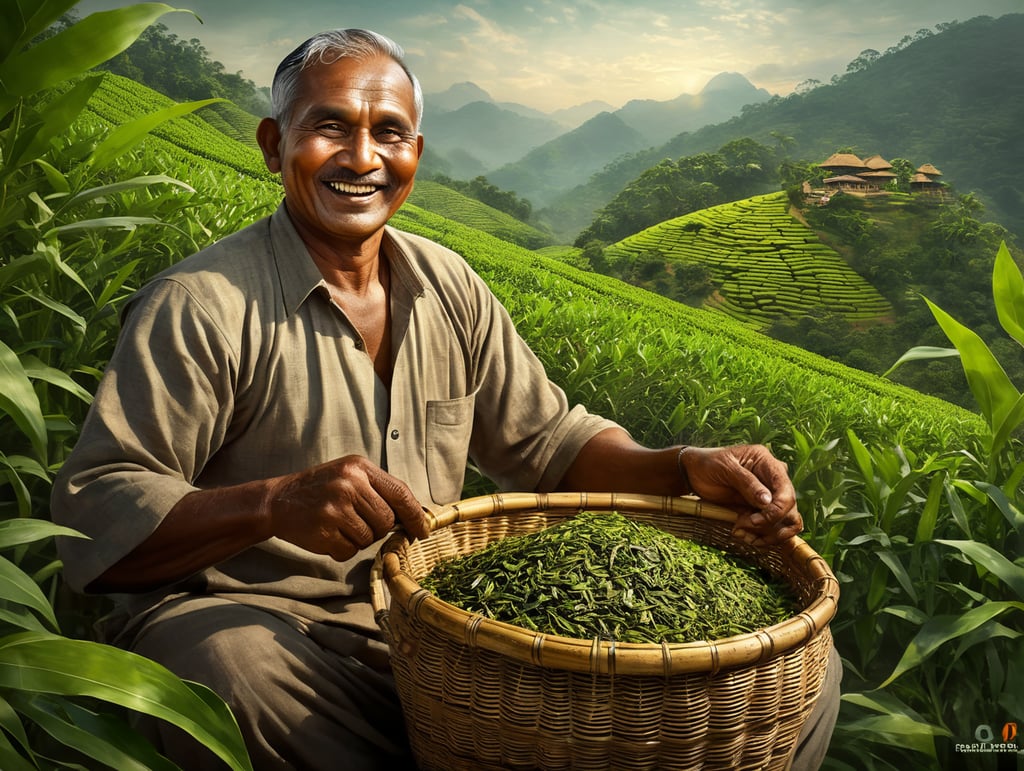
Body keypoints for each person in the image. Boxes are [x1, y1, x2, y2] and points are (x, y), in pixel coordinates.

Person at [51, 28, 839, 771]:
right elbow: (97, 511)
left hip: (434, 638)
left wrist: (682, 466)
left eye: (388, 133)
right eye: (330, 127)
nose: (362, 157)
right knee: (228, 670)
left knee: (805, 672)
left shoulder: (448, 285)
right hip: (266, 626)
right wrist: (271, 504)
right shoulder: (202, 304)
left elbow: (552, 442)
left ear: (416, 153)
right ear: (273, 145)